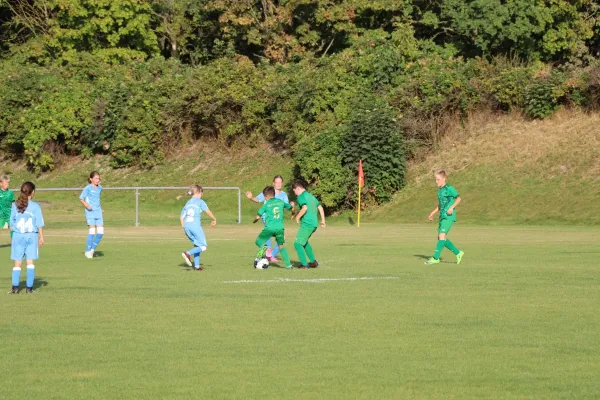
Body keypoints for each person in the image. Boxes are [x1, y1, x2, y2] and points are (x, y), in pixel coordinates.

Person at [8, 181, 45, 294]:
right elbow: (39, 223)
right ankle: (29, 289)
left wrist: (15, 229)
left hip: (18, 236)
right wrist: (41, 237)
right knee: (30, 262)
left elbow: (11, 225)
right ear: (32, 193)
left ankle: (15, 288)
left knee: (17, 263)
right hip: (31, 236)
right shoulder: (35, 206)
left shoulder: (15, 205)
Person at [246, 175, 291, 262]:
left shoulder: (283, 195)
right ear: (273, 183)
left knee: (281, 238)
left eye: (280, 182)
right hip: (267, 218)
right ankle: (269, 255)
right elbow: (258, 199)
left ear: (282, 183)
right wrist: (251, 197)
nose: (278, 184)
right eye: (277, 182)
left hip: (277, 220)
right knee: (269, 237)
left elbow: (286, 206)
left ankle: (267, 256)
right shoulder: (269, 192)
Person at [424, 170, 465, 265]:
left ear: (444, 179)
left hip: (449, 216)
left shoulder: (449, 188)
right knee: (441, 238)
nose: (436, 181)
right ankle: (458, 253)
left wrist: (451, 207)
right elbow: (440, 205)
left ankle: (435, 258)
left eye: (438, 179)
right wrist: (432, 213)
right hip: (442, 216)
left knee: (441, 236)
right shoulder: (440, 191)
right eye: (436, 179)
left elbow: (459, 199)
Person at [253, 186, 294, 269]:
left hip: (269, 228)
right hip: (279, 228)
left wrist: (254, 221)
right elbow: (290, 207)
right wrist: (293, 210)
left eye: (265, 197)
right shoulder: (280, 202)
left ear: (267, 196)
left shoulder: (266, 204)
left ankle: (264, 248)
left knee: (258, 241)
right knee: (281, 246)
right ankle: (289, 265)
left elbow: (257, 217)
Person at [181, 185, 217, 271]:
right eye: (202, 193)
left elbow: (181, 217)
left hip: (186, 226)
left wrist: (184, 228)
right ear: (199, 192)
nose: (202, 195)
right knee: (204, 246)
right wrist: (214, 219)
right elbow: (207, 211)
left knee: (197, 245)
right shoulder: (200, 201)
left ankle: (197, 266)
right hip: (195, 226)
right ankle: (187, 253)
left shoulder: (188, 203)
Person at [291, 181, 326, 270]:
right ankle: (313, 262)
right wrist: (323, 221)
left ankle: (304, 264)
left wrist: (297, 217)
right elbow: (320, 207)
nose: (295, 194)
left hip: (307, 224)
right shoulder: (311, 196)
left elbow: (305, 208)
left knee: (297, 244)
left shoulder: (301, 196)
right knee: (304, 242)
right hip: (314, 224)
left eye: (294, 191)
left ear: (298, 189)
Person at [79, 171, 104, 259]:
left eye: (99, 178)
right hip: (90, 212)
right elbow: (81, 198)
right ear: (91, 179)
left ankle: (92, 249)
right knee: (92, 232)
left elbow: (97, 199)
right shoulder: (87, 188)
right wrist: (87, 205)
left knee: (100, 232)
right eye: (96, 178)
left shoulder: (100, 188)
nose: (98, 180)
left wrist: (101, 208)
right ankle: (87, 251)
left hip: (98, 212)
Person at [0, 175, 15, 240]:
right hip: (1, 215)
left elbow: (13, 203)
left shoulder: (10, 193)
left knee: (12, 228)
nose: (7, 185)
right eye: (6, 183)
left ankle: (14, 242)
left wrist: (14, 213)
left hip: (10, 214)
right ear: (1, 183)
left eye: (8, 183)